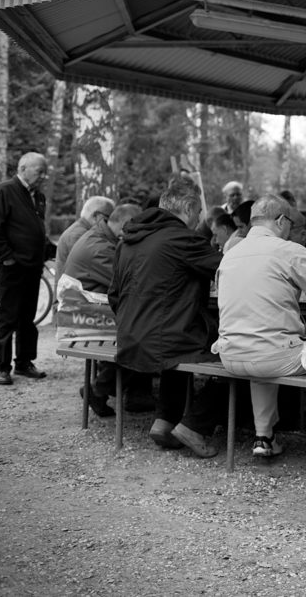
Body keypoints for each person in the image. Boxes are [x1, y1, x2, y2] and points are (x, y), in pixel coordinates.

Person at [212, 195, 306, 463]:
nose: (289, 228)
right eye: (288, 222)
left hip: (230, 355)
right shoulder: (287, 250)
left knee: (262, 351)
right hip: (272, 357)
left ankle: (264, 437)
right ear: (280, 220)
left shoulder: (230, 254)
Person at [108, 175, 226, 457]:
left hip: (129, 336)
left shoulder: (128, 240)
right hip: (166, 339)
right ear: (186, 209)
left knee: (181, 338)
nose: (199, 220)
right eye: (198, 212)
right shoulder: (183, 239)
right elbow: (230, 269)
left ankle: (164, 421)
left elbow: (114, 294)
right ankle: (196, 425)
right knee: (242, 354)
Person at [63, 203, 143, 416]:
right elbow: (130, 284)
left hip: (92, 309)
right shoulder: (100, 248)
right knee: (144, 338)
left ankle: (111, 390)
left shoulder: (100, 237)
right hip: (84, 317)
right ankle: (98, 390)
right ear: (127, 225)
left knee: (145, 328)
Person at [0, 151, 55, 385]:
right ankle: (2, 367)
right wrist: (7, 258)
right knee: (8, 317)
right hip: (12, 268)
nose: (43, 176)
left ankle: (24, 363)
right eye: (39, 171)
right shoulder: (4, 191)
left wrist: (52, 252)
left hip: (33, 267)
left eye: (45, 171)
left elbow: (37, 231)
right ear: (23, 168)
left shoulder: (38, 196)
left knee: (27, 318)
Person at [54, 195, 115, 290]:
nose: (111, 224)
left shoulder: (80, 231)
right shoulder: (79, 235)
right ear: (96, 216)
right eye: (108, 218)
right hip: (71, 300)